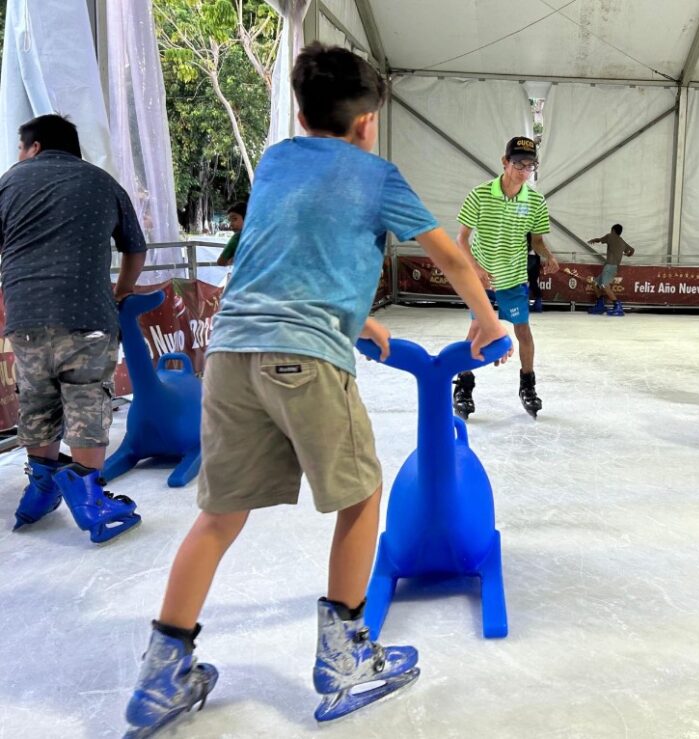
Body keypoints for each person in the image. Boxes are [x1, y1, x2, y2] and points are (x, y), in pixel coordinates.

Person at [122, 44, 507, 736]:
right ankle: (344, 661)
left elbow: (288, 248)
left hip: (232, 350)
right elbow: (447, 253)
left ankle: (160, 676)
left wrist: (360, 316)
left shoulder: (274, 161)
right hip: (305, 358)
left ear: (299, 116)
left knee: (219, 514)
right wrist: (486, 319)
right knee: (361, 496)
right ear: (367, 124)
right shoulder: (376, 173)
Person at [0, 113, 146, 543]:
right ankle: (89, 498)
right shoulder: (102, 182)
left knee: (37, 401)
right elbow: (134, 248)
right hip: (87, 315)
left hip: (25, 317)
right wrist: (121, 291)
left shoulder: (8, 183)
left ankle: (41, 491)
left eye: (21, 147)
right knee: (87, 400)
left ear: (36, 146)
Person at [454, 136, 560, 419]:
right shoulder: (480, 194)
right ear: (504, 162)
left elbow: (536, 240)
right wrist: (475, 268)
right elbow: (461, 240)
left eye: (530, 165)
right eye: (519, 164)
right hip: (482, 278)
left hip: (513, 278)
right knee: (477, 330)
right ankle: (464, 385)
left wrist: (548, 255)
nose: (524, 171)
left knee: (523, 331)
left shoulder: (535, 201)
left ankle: (527, 384)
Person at [586, 224, 635, 316]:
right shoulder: (622, 241)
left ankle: (618, 306)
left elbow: (600, 240)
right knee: (595, 283)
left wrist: (594, 240)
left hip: (610, 267)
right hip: (611, 267)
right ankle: (600, 305)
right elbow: (632, 250)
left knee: (604, 285)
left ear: (613, 230)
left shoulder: (610, 236)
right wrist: (628, 254)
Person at [215, 200, 247, 267]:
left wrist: (232, 260)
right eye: (230, 221)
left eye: (235, 219)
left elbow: (220, 262)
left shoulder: (237, 237)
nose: (231, 224)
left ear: (247, 218)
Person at [526, 232, 544, 312]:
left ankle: (525, 304)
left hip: (527, 257)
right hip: (535, 259)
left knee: (523, 281)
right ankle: (538, 304)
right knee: (533, 282)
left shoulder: (525, 231)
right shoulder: (536, 233)